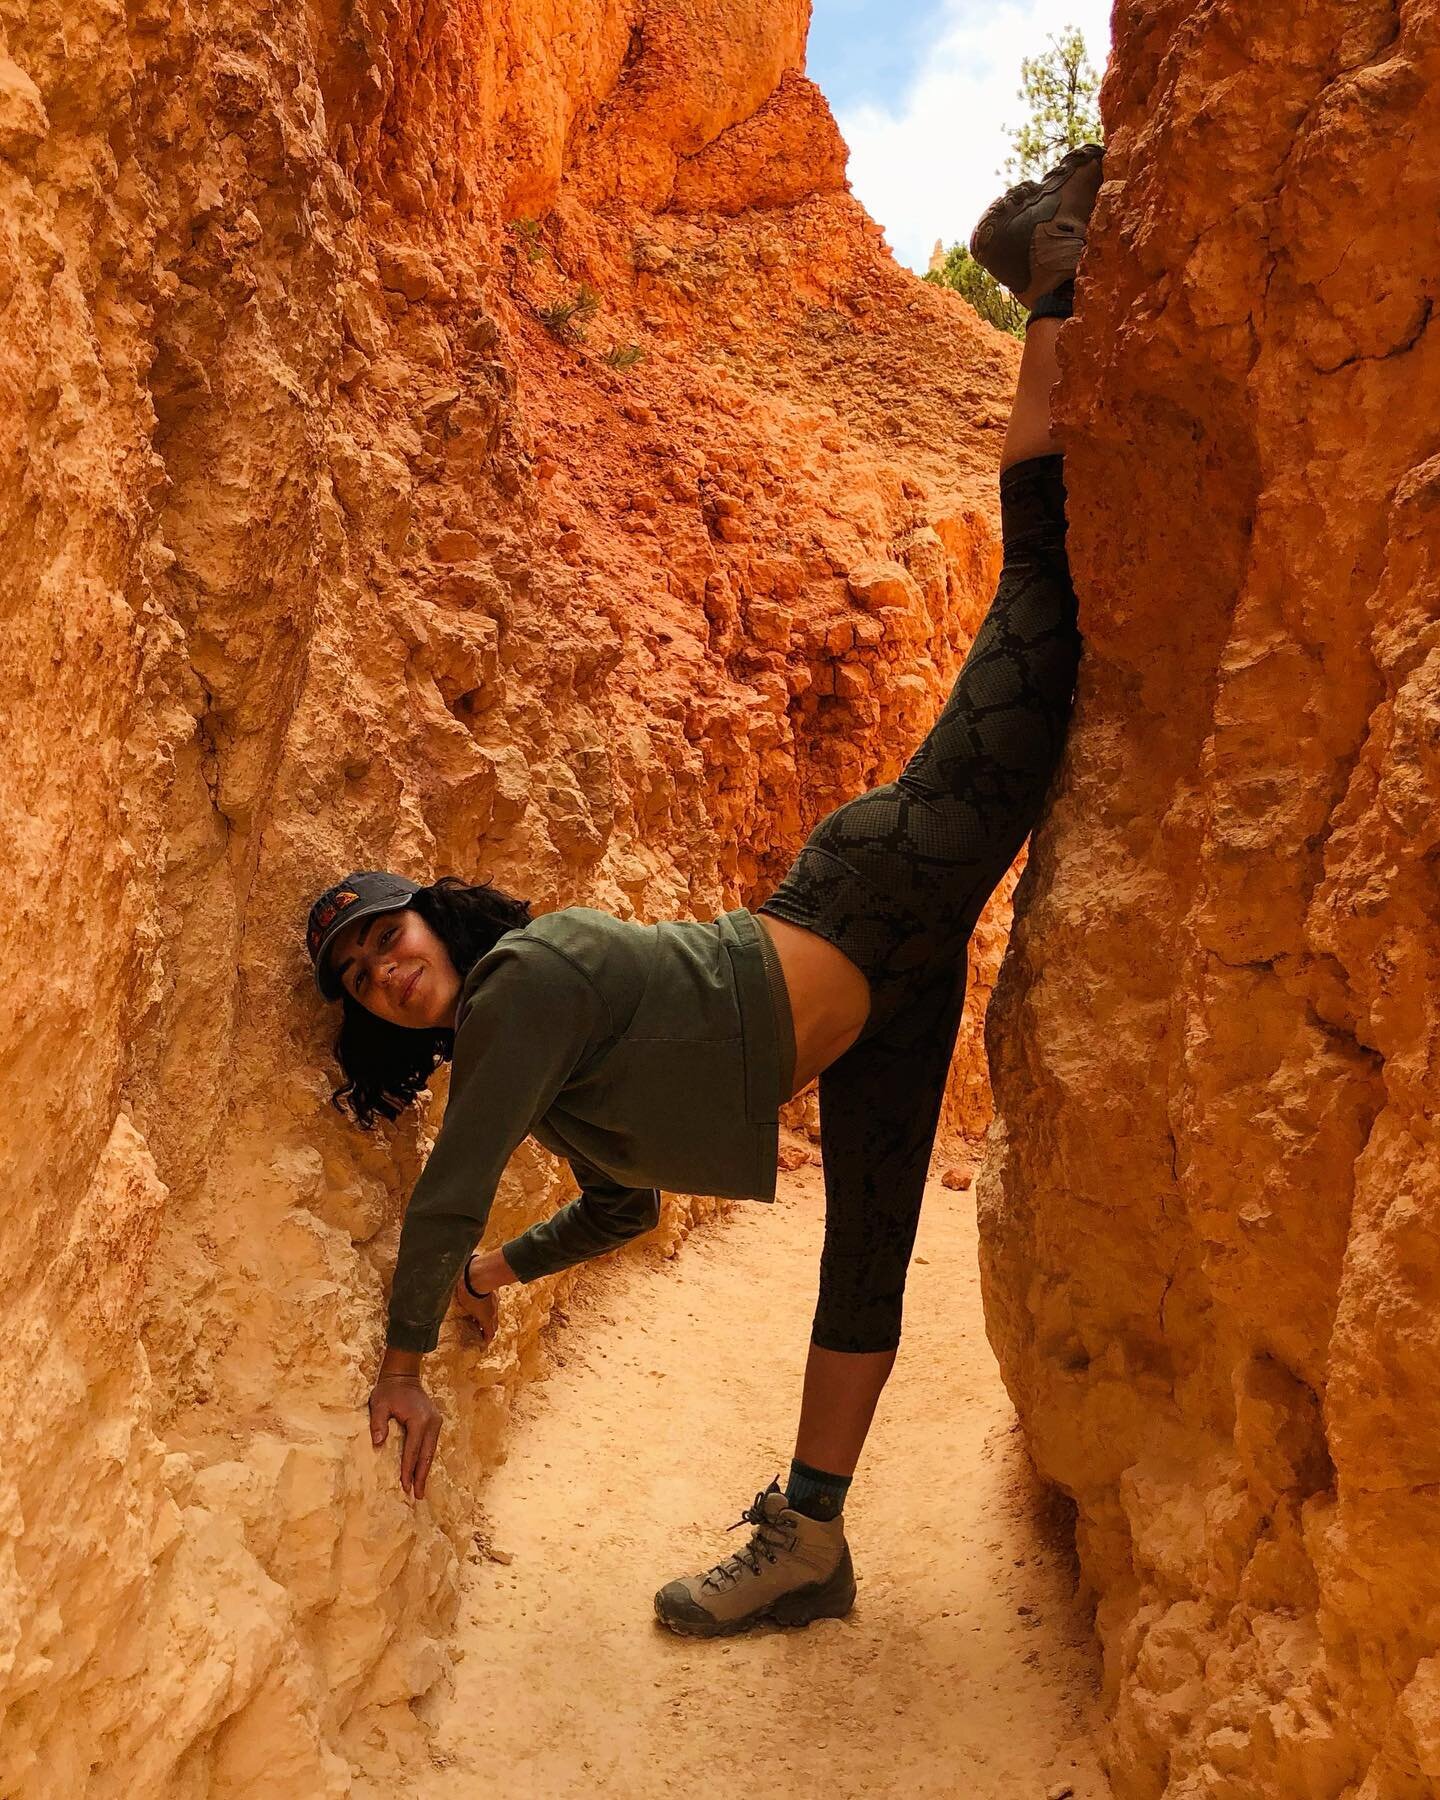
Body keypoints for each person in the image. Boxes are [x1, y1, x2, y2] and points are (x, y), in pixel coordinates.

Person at [305, 145, 1101, 1636]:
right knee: (863, 1261)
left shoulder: (522, 988)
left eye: (385, 934)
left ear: (437, 921)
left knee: (1043, 603)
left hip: (871, 897)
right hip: (878, 1004)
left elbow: (450, 1181)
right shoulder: (524, 1058)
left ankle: (1051, 269)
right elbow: (620, 1209)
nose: (381, 969)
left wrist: (408, 1357)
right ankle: (809, 1542)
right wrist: (512, 1266)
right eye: (357, 979)